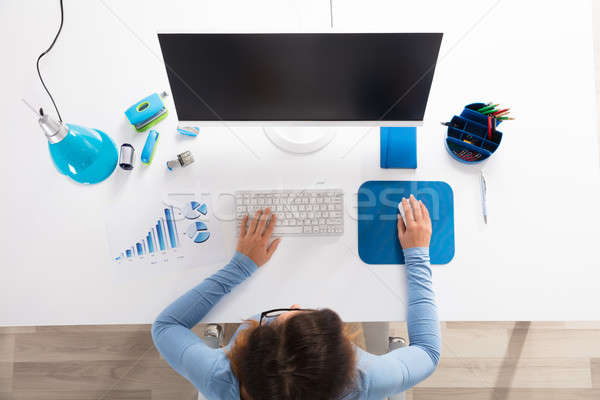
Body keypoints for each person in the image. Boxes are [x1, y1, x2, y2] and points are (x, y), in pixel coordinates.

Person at [152, 194, 440, 400]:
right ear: (349, 362)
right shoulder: (366, 381)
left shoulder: (220, 378)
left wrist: (240, 266)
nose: (295, 305)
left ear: (240, 354)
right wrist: (417, 255)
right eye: (301, 312)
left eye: (274, 318)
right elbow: (427, 352)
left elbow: (166, 326)